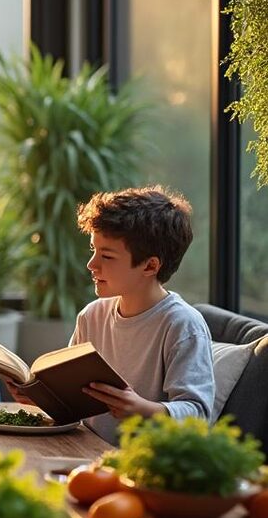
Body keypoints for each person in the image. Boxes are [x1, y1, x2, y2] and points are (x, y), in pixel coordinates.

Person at [72, 186, 214, 444]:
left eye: (106, 255)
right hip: (83, 454)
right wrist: (38, 394)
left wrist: (144, 410)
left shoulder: (182, 325)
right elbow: (71, 393)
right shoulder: (91, 317)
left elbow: (198, 415)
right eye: (93, 250)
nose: (91, 264)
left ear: (150, 266)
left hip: (144, 467)